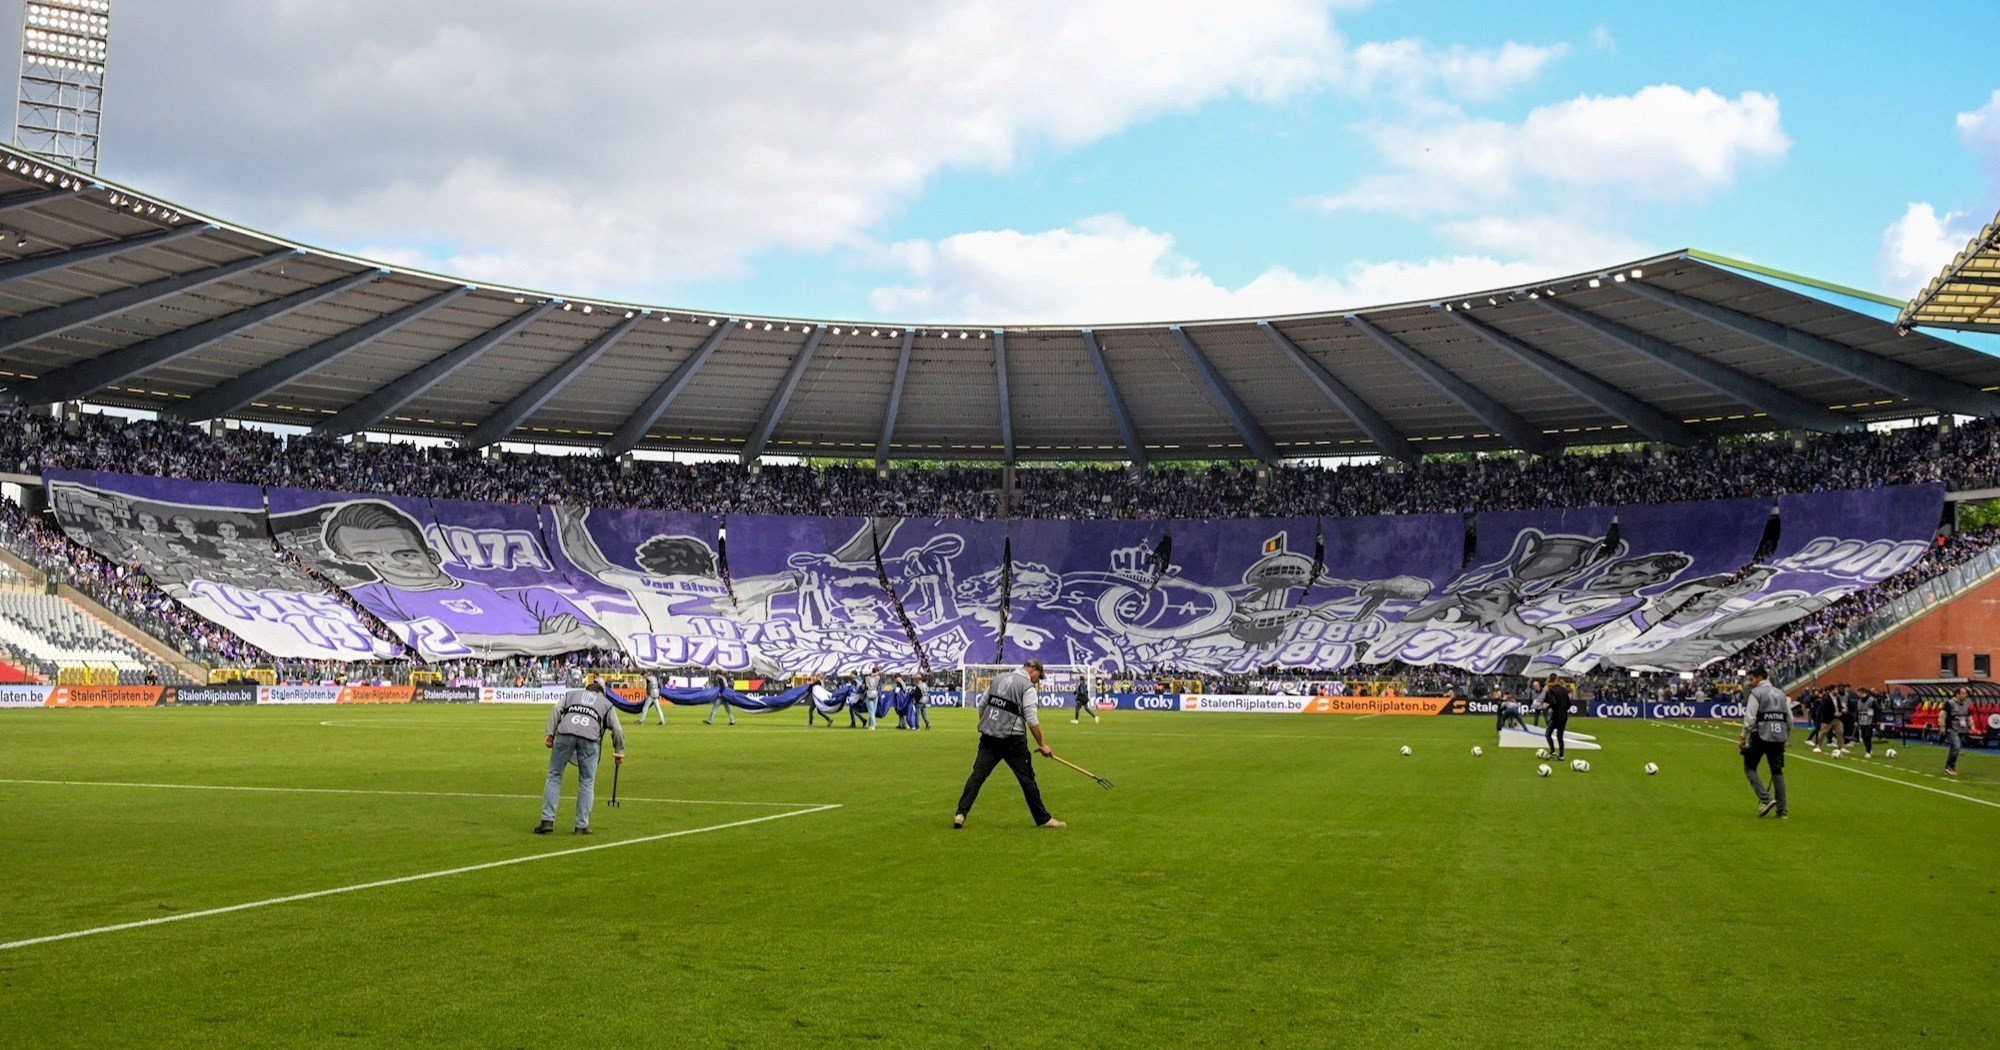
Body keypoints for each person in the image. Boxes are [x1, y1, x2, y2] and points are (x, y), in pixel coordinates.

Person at [953, 658, 1064, 830]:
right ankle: (1043, 819)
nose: (1037, 681)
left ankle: (960, 813)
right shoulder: (1027, 687)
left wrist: (989, 725)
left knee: (978, 775)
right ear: (1032, 670)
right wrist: (1042, 744)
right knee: (1027, 779)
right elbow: (1031, 717)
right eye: (1038, 677)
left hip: (989, 736)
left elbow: (982, 705)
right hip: (1013, 739)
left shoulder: (998, 678)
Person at [536, 679, 625, 835]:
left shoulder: (571, 695)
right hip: (590, 738)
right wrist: (619, 751)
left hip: (565, 733)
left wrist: (549, 734)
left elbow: (556, 710)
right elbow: (617, 729)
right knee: (586, 781)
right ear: (601, 693)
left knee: (554, 776)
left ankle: (547, 821)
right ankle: (581, 825)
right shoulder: (605, 703)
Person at [1740, 667, 1790, 818]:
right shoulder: (1781, 693)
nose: (1750, 683)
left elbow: (1750, 717)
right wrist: (1786, 734)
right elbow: (1789, 718)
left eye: (1752, 679)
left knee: (1749, 767)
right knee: (1777, 771)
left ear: (1760, 677)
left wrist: (1743, 736)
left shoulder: (1756, 693)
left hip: (1760, 734)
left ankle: (1765, 798)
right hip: (1778, 735)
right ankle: (1782, 810)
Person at [1942, 687, 1972, 777]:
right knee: (1956, 746)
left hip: (1962, 729)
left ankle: (1950, 766)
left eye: (1966, 693)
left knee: (1955, 748)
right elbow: (1942, 715)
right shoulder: (1949, 704)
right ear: (1957, 694)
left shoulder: (1966, 705)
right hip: (1952, 728)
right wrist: (1942, 727)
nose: (1965, 695)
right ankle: (1949, 767)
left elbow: (1969, 716)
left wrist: (1972, 725)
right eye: (1963, 693)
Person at [1543, 678, 1573, 759]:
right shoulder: (1564, 690)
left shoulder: (1551, 691)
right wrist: (1563, 710)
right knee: (1560, 736)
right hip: (1564, 716)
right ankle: (1561, 755)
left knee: (1548, 734)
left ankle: (1552, 751)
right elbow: (1569, 704)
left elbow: (1554, 702)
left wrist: (1548, 707)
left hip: (1556, 716)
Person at [1851, 689, 1878, 757]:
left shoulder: (1871, 700)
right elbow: (1857, 711)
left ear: (1862, 692)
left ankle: (1868, 752)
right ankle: (1868, 749)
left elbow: (1877, 710)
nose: (1857, 694)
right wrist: (1856, 720)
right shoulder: (1859, 701)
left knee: (1867, 736)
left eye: (1858, 693)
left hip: (1869, 721)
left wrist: (1877, 720)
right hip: (1861, 721)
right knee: (1863, 737)